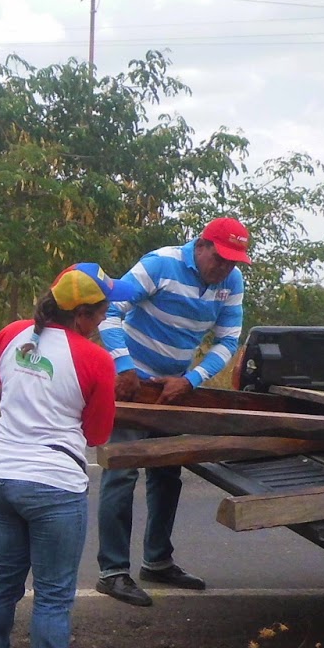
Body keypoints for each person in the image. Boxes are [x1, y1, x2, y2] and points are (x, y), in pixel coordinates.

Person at [0, 264, 128, 648]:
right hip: (54, 484)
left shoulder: (14, 334)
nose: (103, 320)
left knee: (4, 581)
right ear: (82, 315)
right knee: (54, 595)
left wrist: (19, 389)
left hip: (2, 475)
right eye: (100, 313)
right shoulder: (95, 359)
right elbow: (97, 433)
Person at [95, 217, 251, 606]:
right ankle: (112, 571)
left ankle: (157, 561)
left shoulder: (231, 283)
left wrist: (192, 379)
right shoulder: (160, 264)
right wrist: (123, 366)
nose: (224, 268)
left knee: (167, 473)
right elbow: (109, 311)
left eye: (233, 262)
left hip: (172, 389)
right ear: (201, 246)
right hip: (131, 385)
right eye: (219, 259)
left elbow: (228, 341)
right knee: (121, 471)